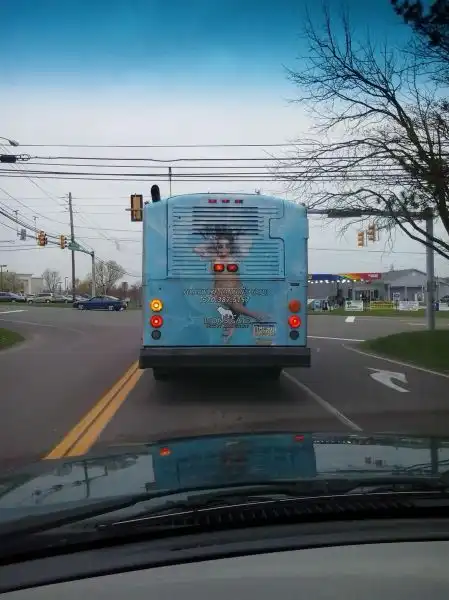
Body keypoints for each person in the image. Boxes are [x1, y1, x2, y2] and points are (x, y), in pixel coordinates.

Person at [194, 227, 269, 342]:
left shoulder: (234, 258)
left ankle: (257, 316)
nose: (223, 249)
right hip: (219, 295)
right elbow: (197, 249)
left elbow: (237, 281)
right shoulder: (214, 258)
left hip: (234, 293)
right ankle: (239, 326)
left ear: (230, 248)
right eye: (220, 246)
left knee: (235, 308)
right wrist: (213, 242)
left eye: (226, 246)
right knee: (229, 317)